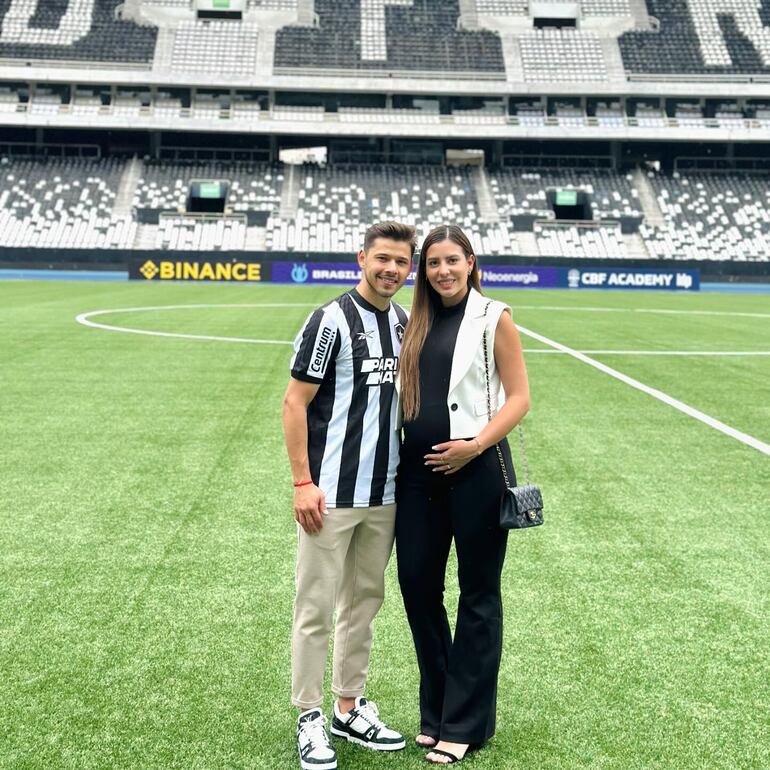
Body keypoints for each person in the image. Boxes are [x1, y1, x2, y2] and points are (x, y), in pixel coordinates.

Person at [282, 221, 416, 770]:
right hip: (330, 496)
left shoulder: (406, 322)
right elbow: (295, 403)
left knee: (363, 605)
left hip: (386, 492)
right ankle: (309, 716)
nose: (390, 269)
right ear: (362, 257)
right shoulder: (330, 321)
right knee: (314, 607)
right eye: (382, 258)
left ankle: (348, 705)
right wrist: (302, 483)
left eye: (400, 262)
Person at [395, 225, 530, 765]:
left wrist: (473, 447)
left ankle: (465, 724)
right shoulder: (413, 322)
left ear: (471, 262)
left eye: (452, 261)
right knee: (417, 586)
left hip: (477, 473)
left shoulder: (494, 317)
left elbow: (519, 398)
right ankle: (438, 708)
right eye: (432, 263)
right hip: (418, 476)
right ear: (422, 271)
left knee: (477, 595)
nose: (443, 271)